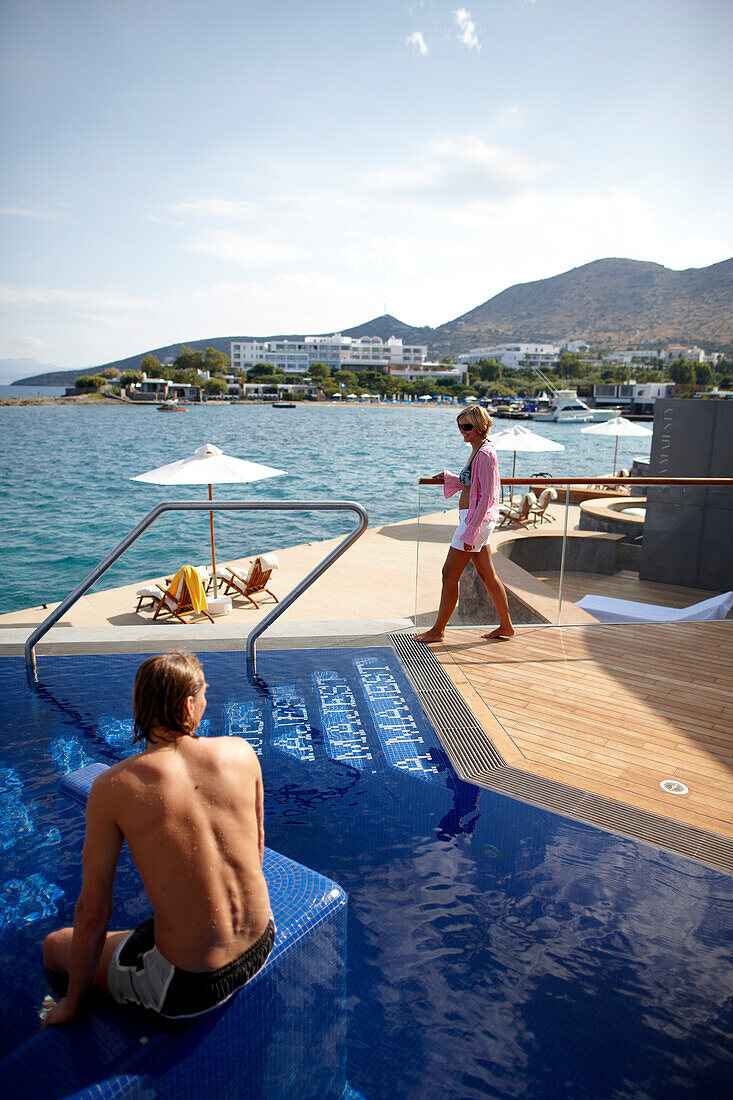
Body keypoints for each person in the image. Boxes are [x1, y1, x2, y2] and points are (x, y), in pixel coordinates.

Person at [41, 651, 273, 1026]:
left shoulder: (115, 787)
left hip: (192, 987)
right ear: (187, 705)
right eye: (204, 696)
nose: (205, 703)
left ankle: (73, 1009)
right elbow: (257, 846)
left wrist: (71, 1002)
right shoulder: (241, 752)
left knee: (54, 946)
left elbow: (93, 912)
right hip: (262, 941)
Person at [414, 404, 514, 644]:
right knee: (487, 574)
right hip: (474, 520)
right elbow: (472, 483)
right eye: (460, 426)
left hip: (474, 522)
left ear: (480, 426)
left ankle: (437, 630)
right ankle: (506, 625)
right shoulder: (478, 450)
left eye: (467, 426)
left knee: (449, 574)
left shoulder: (486, 454)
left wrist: (471, 531)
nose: (462, 431)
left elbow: (487, 495)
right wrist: (451, 478)